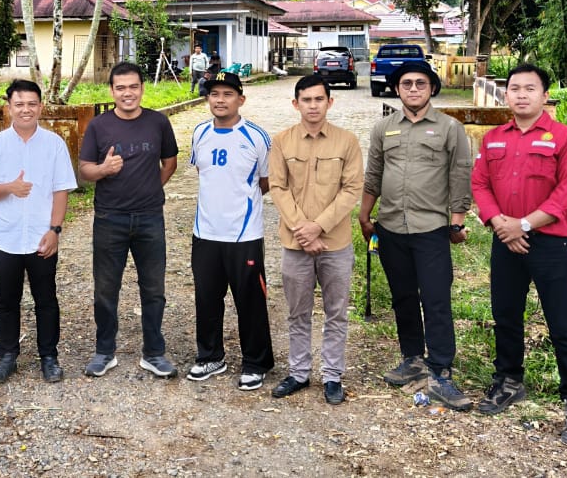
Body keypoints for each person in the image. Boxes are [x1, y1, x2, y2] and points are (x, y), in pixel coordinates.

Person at [471, 63, 567, 447]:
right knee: (506, 315)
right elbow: (480, 183)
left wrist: (521, 225)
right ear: (505, 95)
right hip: (505, 240)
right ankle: (508, 380)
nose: (521, 94)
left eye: (530, 88)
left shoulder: (566, 139)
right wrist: (499, 223)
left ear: (544, 96)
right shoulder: (492, 139)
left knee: (563, 324)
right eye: (514, 88)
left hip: (549, 243)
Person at [358, 60, 474, 411]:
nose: (412, 89)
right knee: (403, 297)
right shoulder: (383, 128)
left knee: (436, 299)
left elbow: (460, 175)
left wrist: (456, 222)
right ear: (397, 89)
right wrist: (365, 215)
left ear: (432, 89)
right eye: (406, 84)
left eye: (420, 84)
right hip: (391, 227)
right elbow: (374, 173)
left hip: (431, 229)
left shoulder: (449, 129)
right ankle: (412, 358)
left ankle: (440, 370)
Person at [78, 61, 180, 379]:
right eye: (120, 88)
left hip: (150, 217)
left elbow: (170, 162)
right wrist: (104, 170)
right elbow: (84, 170)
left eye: (133, 87)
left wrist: (149, 188)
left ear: (142, 88)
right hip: (110, 218)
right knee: (106, 289)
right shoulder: (99, 126)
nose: (127, 93)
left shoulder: (158, 122)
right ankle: (104, 351)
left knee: (154, 289)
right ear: (112, 91)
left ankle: (154, 353)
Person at [267, 74, 363, 403]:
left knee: (336, 312)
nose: (312, 105)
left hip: (334, 244)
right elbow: (277, 188)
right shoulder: (281, 141)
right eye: (306, 100)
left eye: (319, 99)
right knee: (298, 312)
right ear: (296, 104)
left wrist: (318, 227)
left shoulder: (346, 141)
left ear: (329, 102)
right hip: (296, 245)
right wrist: (302, 230)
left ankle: (333, 376)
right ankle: (298, 372)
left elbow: (351, 190)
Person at [0, 79, 78, 384]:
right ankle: (7, 356)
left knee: (46, 298)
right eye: (19, 104)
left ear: (41, 107)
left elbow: (61, 191)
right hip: (5, 237)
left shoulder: (54, 144)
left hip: (40, 236)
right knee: (7, 299)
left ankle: (49, 356)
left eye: (32, 104)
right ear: (8, 108)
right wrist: (10, 187)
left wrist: (55, 230)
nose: (25, 110)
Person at [185, 71, 274, 390]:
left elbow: (265, 183)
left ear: (241, 99)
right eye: (214, 94)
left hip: (244, 236)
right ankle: (210, 356)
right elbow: (204, 174)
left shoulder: (256, 137)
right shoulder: (199, 133)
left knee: (250, 300)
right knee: (207, 299)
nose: (220, 100)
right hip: (205, 233)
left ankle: (256, 362)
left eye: (227, 94)